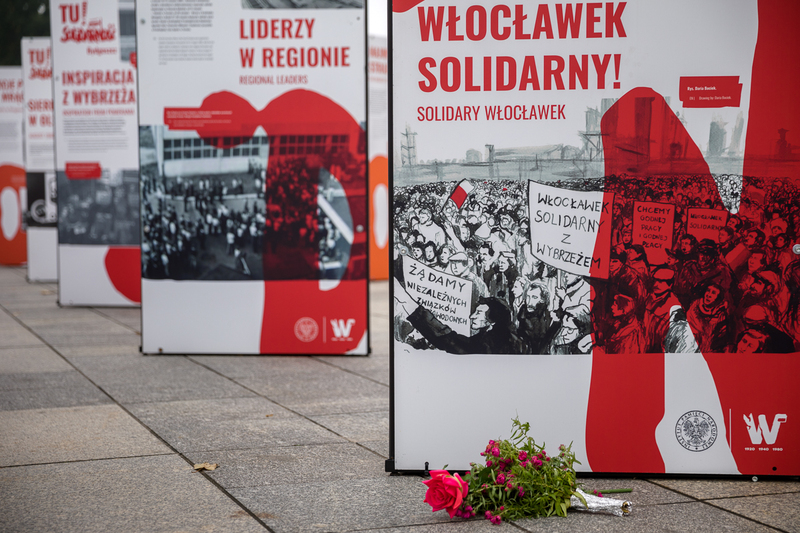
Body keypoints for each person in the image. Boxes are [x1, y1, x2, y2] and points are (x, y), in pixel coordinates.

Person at [395, 279, 522, 354]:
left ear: (493, 321)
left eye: (478, 313)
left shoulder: (488, 344)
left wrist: (409, 303)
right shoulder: (509, 339)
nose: (472, 316)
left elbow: (449, 340)